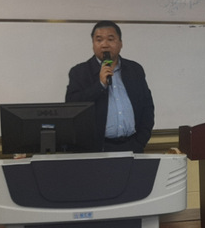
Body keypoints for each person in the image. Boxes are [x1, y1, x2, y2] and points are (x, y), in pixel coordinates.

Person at [65, 21, 154, 153]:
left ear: (120, 43)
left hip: (132, 146)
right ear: (93, 44)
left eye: (110, 39)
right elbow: (71, 107)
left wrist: (140, 141)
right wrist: (100, 85)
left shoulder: (134, 70)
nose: (105, 44)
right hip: (96, 150)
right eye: (99, 40)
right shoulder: (80, 72)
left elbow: (147, 107)